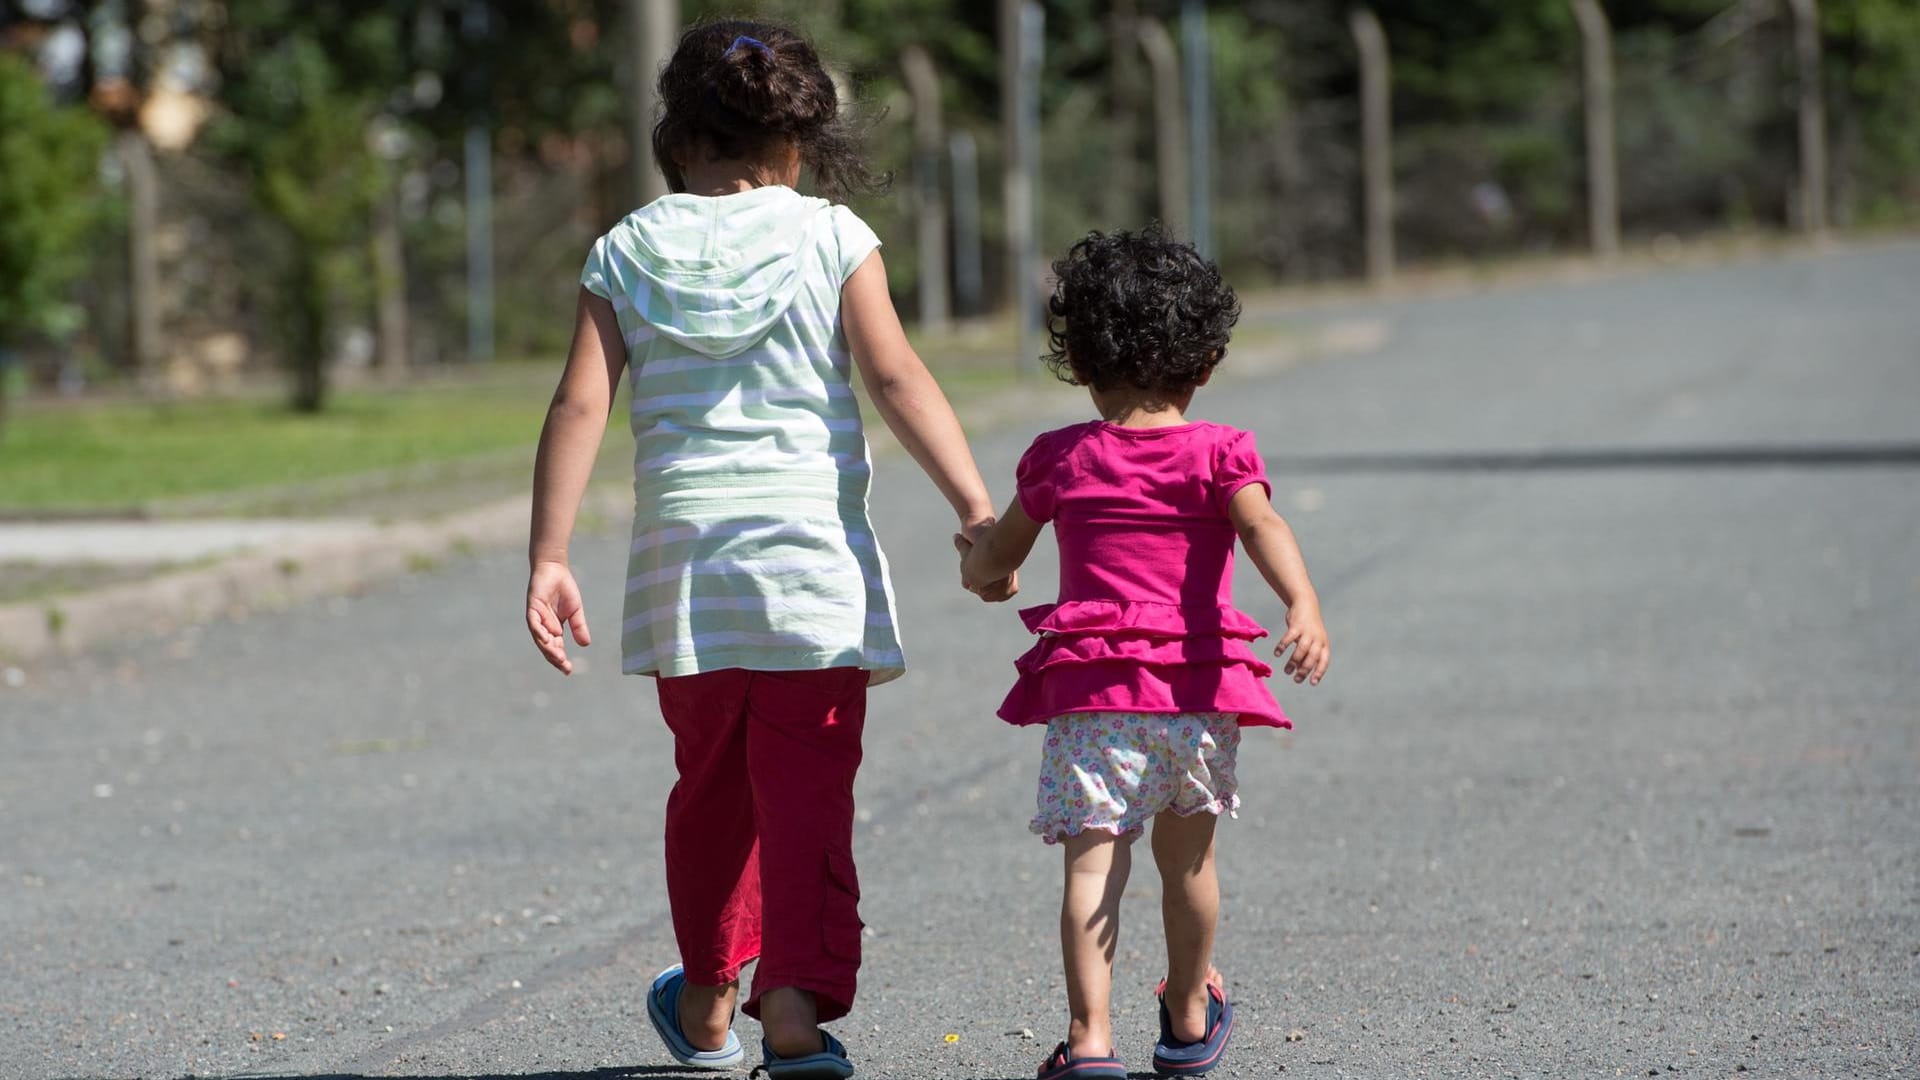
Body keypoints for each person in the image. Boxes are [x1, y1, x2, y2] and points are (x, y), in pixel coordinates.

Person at [524, 19, 1009, 1080]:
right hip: (810, 575)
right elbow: (895, 380)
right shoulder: (833, 238)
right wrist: (977, 507)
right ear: (801, 142)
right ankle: (793, 1008)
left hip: (687, 577)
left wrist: (549, 555)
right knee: (806, 795)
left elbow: (578, 405)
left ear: (677, 135)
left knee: (710, 787)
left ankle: (705, 1004)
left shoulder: (629, 246)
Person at [956, 227, 1330, 1079]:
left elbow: (996, 559)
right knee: (1188, 864)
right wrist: (1301, 602)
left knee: (1093, 868)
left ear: (1080, 364)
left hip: (1092, 702)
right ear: (1204, 364)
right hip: (1196, 696)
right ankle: (1190, 1014)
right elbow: (1262, 523)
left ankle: (1090, 1041)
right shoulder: (1220, 454)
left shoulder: (1062, 458)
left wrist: (979, 563)